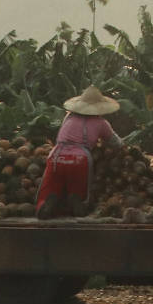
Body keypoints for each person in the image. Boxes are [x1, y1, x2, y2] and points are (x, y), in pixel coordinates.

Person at [36, 86, 123, 219]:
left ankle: (44, 206)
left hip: (57, 156)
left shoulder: (68, 117)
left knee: (49, 189)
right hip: (79, 159)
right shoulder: (101, 123)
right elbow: (116, 143)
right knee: (76, 193)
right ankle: (77, 206)